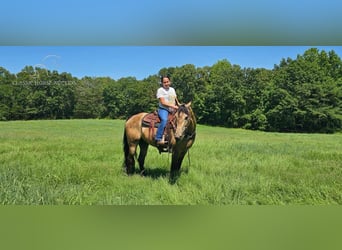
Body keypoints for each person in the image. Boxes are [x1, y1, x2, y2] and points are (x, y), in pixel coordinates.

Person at [155, 75, 178, 145]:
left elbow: (175, 99)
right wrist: (173, 106)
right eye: (164, 82)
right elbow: (163, 102)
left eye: (167, 82)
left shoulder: (172, 89)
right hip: (163, 109)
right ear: (162, 83)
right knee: (164, 120)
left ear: (170, 82)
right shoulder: (160, 90)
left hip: (173, 109)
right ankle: (158, 138)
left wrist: (179, 105)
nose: (166, 83)